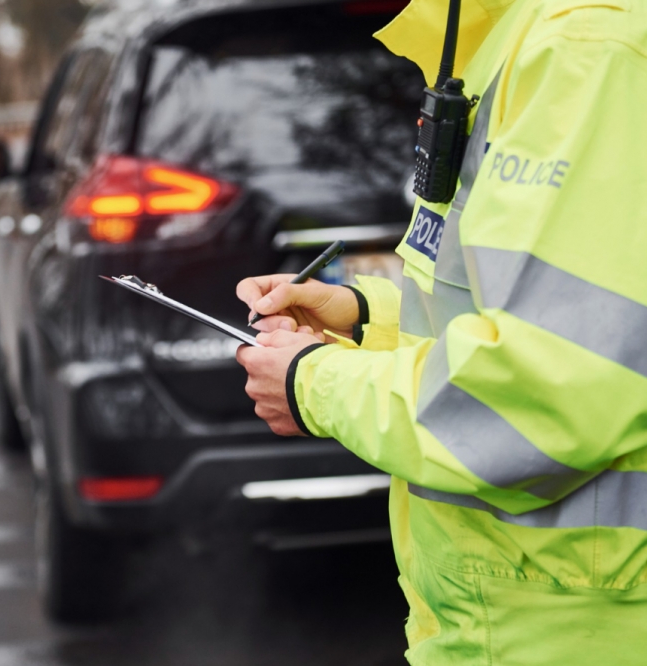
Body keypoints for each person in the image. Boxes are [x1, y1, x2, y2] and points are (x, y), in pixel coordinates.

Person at [235, 0, 647, 663]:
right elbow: (549, 313)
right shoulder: (511, 43)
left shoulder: (583, 52)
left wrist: (313, 381)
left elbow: (543, 395)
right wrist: (365, 316)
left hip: (582, 631)